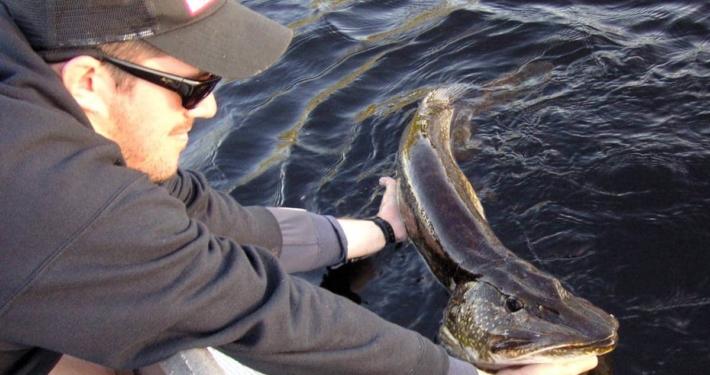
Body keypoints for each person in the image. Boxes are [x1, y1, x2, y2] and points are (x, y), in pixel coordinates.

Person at [0, 1, 599, 374]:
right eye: (191, 86)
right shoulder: (41, 193)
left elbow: (200, 216)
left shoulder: (29, 88)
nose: (208, 112)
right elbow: (248, 309)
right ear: (87, 81)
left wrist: (385, 229)